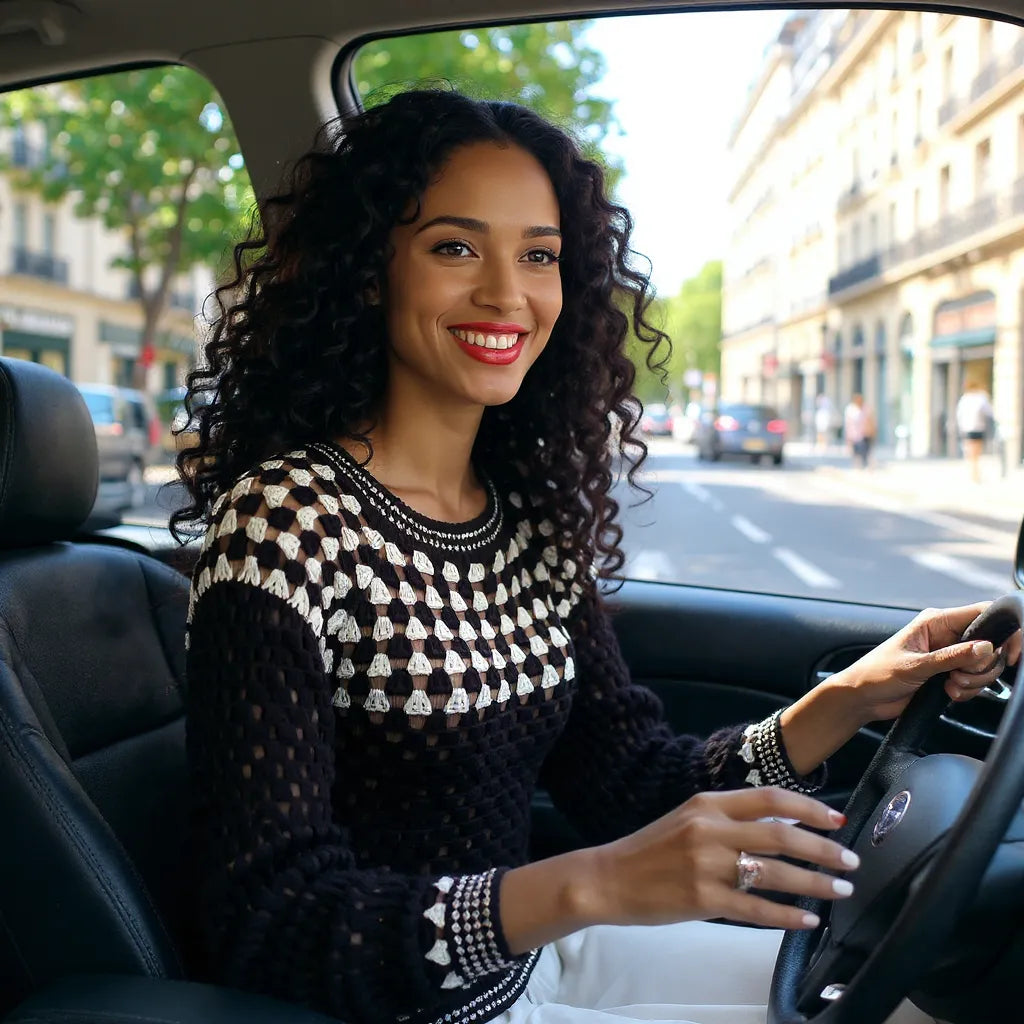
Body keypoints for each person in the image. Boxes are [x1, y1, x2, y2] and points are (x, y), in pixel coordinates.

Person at [172, 90, 1018, 1024]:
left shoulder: (521, 518)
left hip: (534, 962)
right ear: (371, 272)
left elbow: (633, 783)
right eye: (455, 247)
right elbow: (270, 917)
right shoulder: (285, 523)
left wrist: (849, 697)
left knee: (893, 1009)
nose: (508, 293)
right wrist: (587, 886)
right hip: (402, 1005)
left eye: (539, 254)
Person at [956, 380, 994, 484]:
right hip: (979, 428)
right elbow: (989, 412)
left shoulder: (965, 399)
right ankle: (975, 473)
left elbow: (959, 415)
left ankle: (973, 473)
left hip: (967, 428)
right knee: (976, 452)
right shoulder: (981, 398)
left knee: (970, 452)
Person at [843, 392, 876, 469]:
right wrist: (848, 437)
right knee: (856, 452)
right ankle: (858, 467)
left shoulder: (866, 408)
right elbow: (848, 423)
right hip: (854, 435)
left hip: (865, 434)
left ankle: (865, 466)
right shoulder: (850, 409)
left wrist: (873, 432)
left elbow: (871, 421)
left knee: (865, 451)